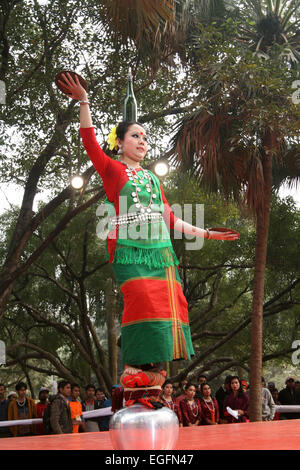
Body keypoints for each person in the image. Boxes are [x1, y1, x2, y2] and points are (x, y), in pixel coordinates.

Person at [57, 73, 239, 391]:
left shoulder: (153, 179)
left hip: (159, 251)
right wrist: (84, 100)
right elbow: (88, 140)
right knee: (139, 297)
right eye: (136, 136)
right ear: (120, 141)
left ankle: (152, 368)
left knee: (167, 303)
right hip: (129, 248)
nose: (143, 142)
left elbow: (170, 218)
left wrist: (207, 233)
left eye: (145, 138)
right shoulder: (113, 168)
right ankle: (134, 364)